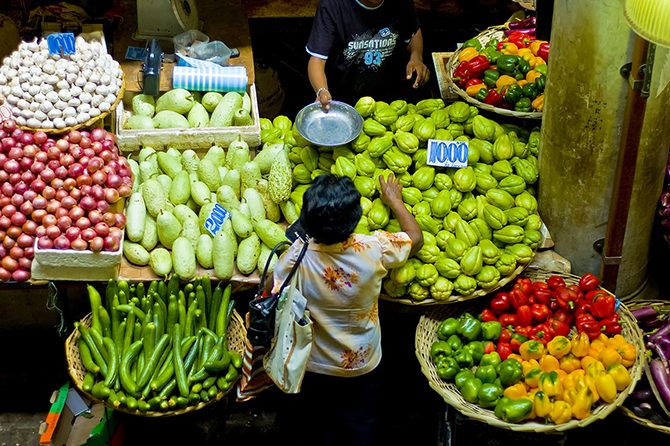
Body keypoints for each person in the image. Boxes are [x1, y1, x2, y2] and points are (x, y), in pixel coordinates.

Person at [271, 173, 423, 445]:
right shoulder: (373, 249)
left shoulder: (297, 256)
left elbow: (277, 285)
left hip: (313, 364)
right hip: (362, 362)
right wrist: (394, 200)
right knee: (359, 423)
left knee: (318, 425)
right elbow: (415, 238)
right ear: (356, 219)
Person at [306, 0, 431, 110]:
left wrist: (416, 57)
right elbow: (317, 59)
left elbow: (413, 32)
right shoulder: (332, 5)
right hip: (342, 101)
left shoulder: (401, 3)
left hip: (388, 103)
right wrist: (322, 90)